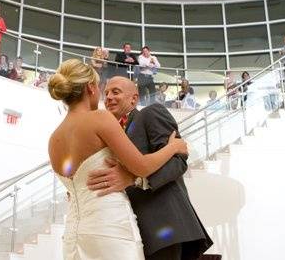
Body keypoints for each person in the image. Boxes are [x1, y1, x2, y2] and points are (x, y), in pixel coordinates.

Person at [48, 59, 189, 260]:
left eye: (115, 92)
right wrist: (173, 147)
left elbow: (74, 187)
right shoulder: (100, 118)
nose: (105, 96)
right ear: (90, 88)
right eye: (101, 89)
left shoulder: (54, 139)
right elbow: (141, 167)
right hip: (110, 225)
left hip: (74, 230)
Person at [86, 76, 213, 260]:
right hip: (130, 231)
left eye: (116, 92)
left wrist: (138, 179)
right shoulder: (111, 136)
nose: (109, 97)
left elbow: (178, 160)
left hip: (163, 226)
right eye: (106, 93)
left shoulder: (151, 113)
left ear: (134, 98)